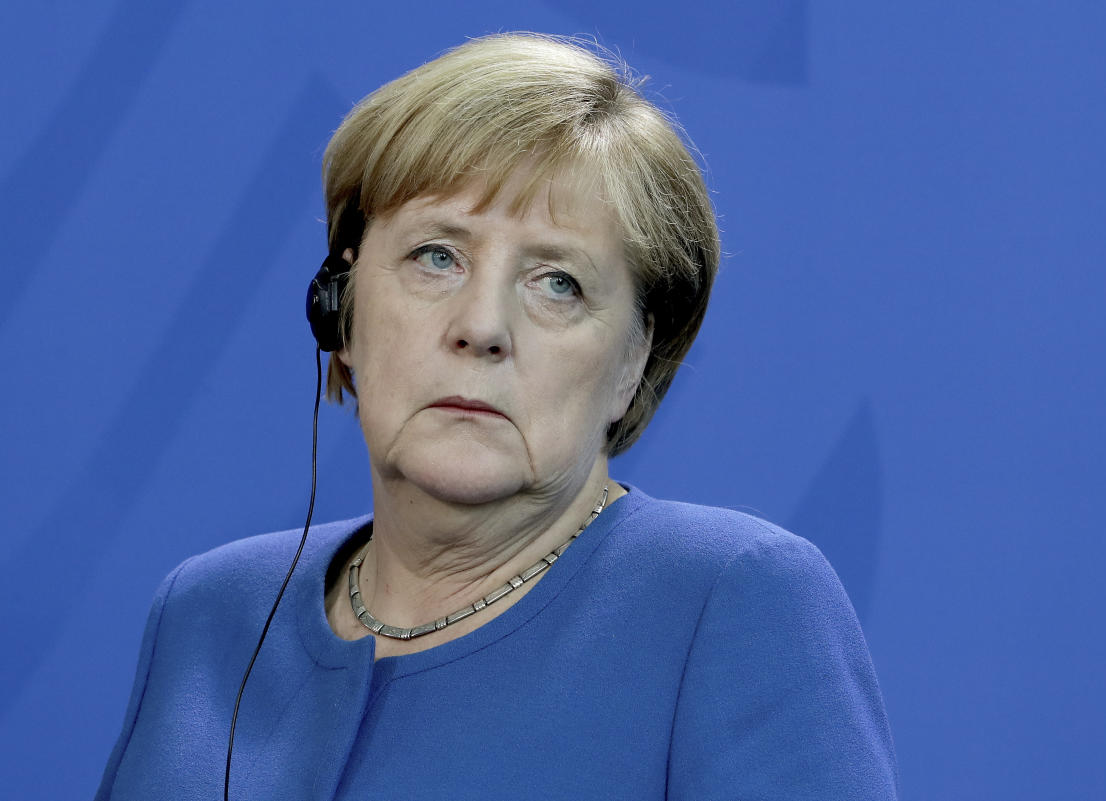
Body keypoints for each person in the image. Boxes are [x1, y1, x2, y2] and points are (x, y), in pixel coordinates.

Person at [95, 32, 899, 800]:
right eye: (436, 256)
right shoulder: (206, 612)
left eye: (558, 283)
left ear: (632, 363)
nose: (481, 326)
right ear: (339, 314)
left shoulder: (729, 601)